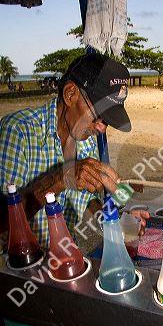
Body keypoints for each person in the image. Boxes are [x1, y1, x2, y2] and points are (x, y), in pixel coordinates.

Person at [0, 53, 149, 248]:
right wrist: (60, 179)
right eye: (98, 116)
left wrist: (112, 220)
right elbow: (3, 222)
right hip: (20, 268)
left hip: (66, 258)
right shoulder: (18, 131)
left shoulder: (86, 140)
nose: (101, 128)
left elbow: (85, 200)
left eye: (107, 122)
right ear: (70, 94)